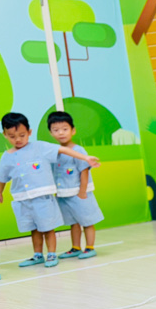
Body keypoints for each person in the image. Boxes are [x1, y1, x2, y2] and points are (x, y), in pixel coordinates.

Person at [0, 113, 99, 268]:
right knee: (34, 228)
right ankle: (38, 255)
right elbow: (2, 176)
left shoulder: (40, 147)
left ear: (29, 132)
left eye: (22, 135)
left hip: (43, 197)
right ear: (4, 134)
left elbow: (63, 150)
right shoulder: (6, 156)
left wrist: (85, 158)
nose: (17, 140)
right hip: (23, 199)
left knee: (48, 227)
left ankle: (51, 254)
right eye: (12, 136)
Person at [48, 111, 104, 259]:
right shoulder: (55, 152)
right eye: (56, 130)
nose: (61, 133)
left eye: (65, 129)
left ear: (73, 130)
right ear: (51, 133)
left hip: (79, 193)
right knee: (73, 223)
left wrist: (82, 192)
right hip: (64, 194)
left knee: (87, 221)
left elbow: (84, 171)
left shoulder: (78, 150)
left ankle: (90, 247)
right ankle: (76, 247)